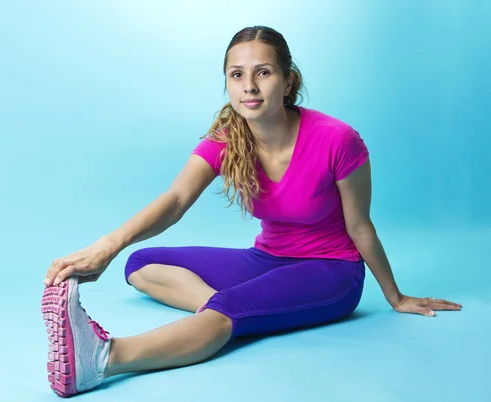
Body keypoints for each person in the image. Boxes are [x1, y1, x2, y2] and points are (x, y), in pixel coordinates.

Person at [40, 26, 462, 398]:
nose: (250, 87)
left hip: (330, 269)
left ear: (287, 80)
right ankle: (233, 313)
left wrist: (395, 295)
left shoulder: (337, 139)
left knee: (229, 312)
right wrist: (107, 246)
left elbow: (360, 225)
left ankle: (101, 359)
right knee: (140, 263)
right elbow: (175, 201)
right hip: (265, 259)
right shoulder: (228, 136)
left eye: (263, 72)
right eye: (237, 75)